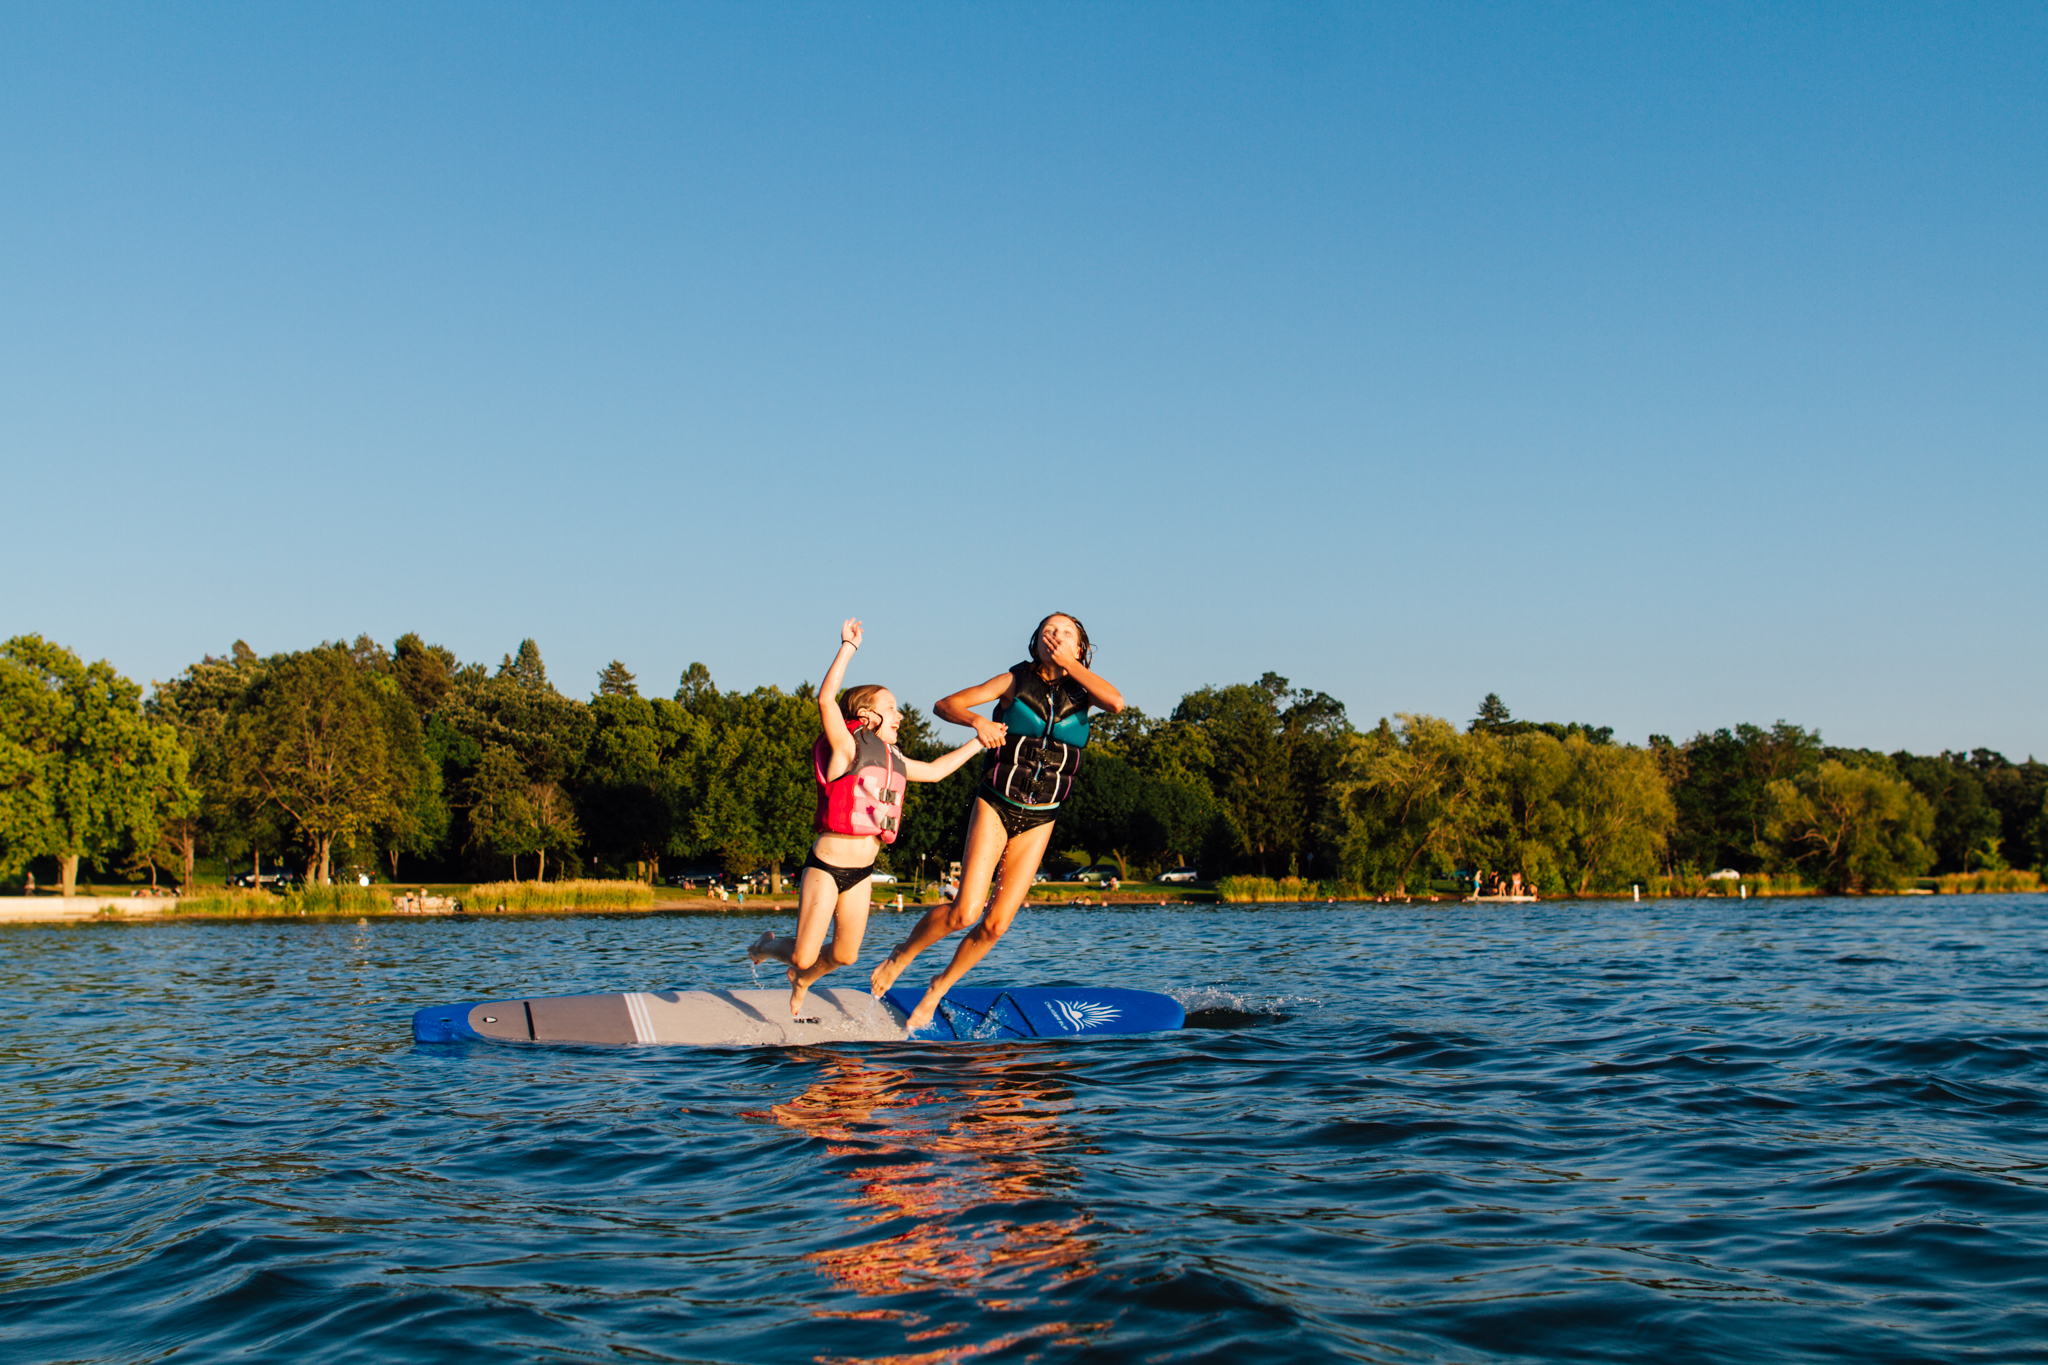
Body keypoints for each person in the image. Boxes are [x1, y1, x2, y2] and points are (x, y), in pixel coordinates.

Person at [870, 612, 1124, 1032]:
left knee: (997, 924)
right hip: (997, 803)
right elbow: (945, 704)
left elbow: (1116, 702)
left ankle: (936, 989)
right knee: (965, 911)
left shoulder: (1086, 691)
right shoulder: (1014, 681)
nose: (1054, 636)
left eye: (1064, 633)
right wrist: (978, 721)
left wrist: (1073, 666)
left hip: (1042, 816)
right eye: (1048, 631)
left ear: (1080, 648)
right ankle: (902, 954)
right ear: (1035, 642)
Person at [748, 618, 988, 1017]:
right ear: (866, 714)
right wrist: (848, 647)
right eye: (891, 708)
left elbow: (938, 769)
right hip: (826, 866)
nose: (900, 715)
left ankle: (803, 980)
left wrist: (978, 740)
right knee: (805, 952)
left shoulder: (894, 759)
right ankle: (765, 946)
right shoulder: (847, 748)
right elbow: (826, 701)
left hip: (861, 872)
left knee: (844, 955)